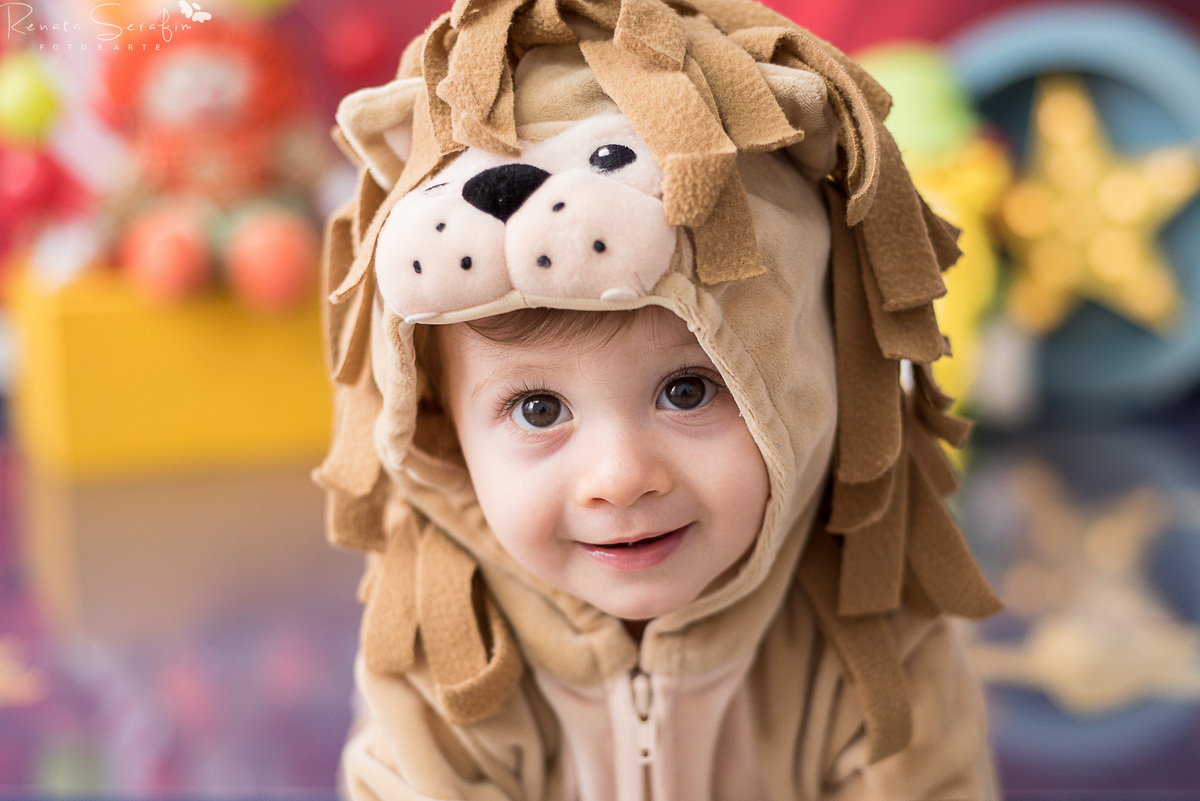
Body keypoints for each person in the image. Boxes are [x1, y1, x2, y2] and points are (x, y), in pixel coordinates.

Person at [316, 0, 1003, 798]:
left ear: (803, 381)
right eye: (540, 409)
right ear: (442, 430)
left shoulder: (878, 643)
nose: (620, 476)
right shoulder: (448, 652)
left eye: (687, 390)